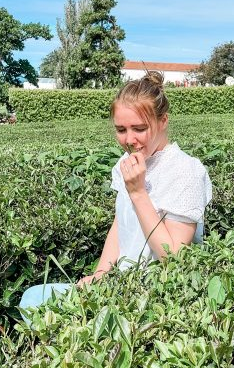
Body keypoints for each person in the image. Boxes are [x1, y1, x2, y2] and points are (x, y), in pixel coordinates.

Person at [18, 71, 213, 319]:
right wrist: (100, 275)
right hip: (117, 284)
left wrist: (138, 193)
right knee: (33, 298)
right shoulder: (126, 162)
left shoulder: (186, 171)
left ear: (163, 121)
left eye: (139, 128)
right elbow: (121, 225)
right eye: (121, 129)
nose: (129, 140)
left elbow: (173, 258)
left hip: (154, 297)